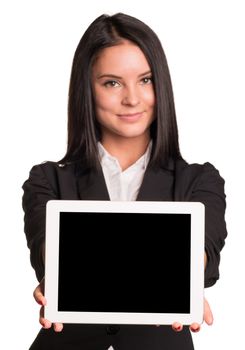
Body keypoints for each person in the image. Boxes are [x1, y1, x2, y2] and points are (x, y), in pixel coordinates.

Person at [22, 12, 227, 350]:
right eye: (112, 82)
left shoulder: (199, 182)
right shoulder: (47, 180)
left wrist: (186, 280)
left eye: (145, 80)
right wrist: (56, 275)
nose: (132, 98)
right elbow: (48, 249)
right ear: (86, 89)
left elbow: (203, 250)